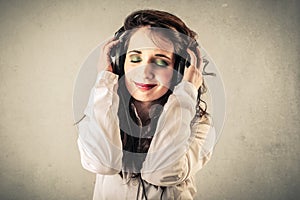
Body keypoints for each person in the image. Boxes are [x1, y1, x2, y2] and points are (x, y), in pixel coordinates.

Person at [76, 9, 215, 200]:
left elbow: (162, 173)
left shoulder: (199, 124)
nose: (145, 72)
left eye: (160, 61)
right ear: (122, 63)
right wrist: (105, 80)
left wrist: (186, 92)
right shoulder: (102, 107)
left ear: (179, 69)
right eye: (135, 59)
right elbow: (103, 163)